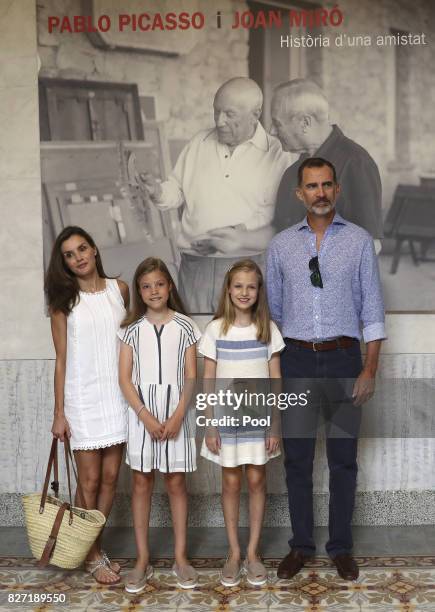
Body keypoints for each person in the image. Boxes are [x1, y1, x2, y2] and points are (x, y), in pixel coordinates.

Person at [266, 158, 386, 581]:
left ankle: (340, 547)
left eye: (327, 185)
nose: (320, 192)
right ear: (300, 194)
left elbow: (372, 310)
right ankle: (300, 546)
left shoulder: (358, 242)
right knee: (296, 460)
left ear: (337, 190)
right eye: (311, 186)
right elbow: (274, 317)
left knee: (342, 460)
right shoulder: (281, 245)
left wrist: (368, 369)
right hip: (296, 360)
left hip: (343, 361)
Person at [143, 77, 291, 312]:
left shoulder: (278, 153)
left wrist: (234, 234)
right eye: (216, 111)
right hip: (195, 269)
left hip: (247, 269)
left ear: (255, 113)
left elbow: (275, 214)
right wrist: (157, 191)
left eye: (229, 114)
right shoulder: (199, 143)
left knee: (245, 341)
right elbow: (177, 189)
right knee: (197, 342)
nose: (220, 121)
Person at [45, 226, 129, 585]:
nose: (78, 257)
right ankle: (92, 556)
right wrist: (59, 412)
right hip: (83, 397)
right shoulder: (63, 302)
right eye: (69, 254)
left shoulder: (119, 290)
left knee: (111, 479)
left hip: (118, 395)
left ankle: (91, 545)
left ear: (94, 250)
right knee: (90, 480)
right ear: (64, 262)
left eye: (82, 248)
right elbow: (61, 359)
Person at [199, 259, 285, 587]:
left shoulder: (268, 331)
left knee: (257, 482)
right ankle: (233, 552)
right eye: (238, 286)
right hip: (225, 421)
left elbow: (276, 380)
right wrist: (209, 425)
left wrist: (275, 425)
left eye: (251, 286)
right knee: (232, 483)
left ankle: (253, 553)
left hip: (260, 421)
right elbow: (208, 381)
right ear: (228, 290)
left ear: (259, 291)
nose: (244, 292)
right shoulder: (216, 330)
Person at [118, 257, 201, 593]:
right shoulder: (130, 330)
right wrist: (145, 416)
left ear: (170, 286)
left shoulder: (186, 327)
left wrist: (180, 414)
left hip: (177, 412)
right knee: (141, 482)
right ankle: (142, 559)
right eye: (146, 285)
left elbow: (191, 376)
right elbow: (124, 379)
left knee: (176, 482)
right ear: (139, 291)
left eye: (160, 284)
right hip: (142, 415)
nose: (154, 291)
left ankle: (180, 557)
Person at [270, 78, 383, 247]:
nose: (272, 131)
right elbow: (280, 232)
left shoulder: (356, 164)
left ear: (305, 123)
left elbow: (371, 246)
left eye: (277, 123)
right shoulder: (292, 172)